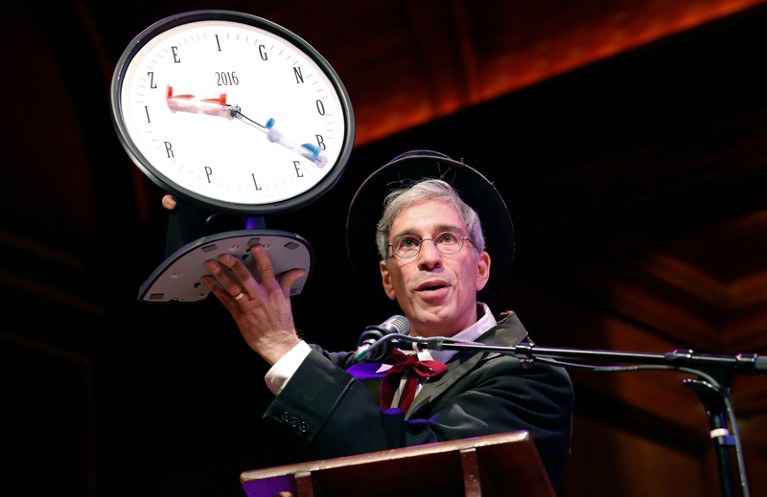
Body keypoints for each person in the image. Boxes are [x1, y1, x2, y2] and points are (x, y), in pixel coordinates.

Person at [182, 150, 574, 491]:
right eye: (408, 243)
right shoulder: (368, 367)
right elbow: (313, 382)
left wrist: (281, 344)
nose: (428, 258)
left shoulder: (529, 375)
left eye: (448, 238)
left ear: (481, 268)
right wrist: (192, 204)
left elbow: (421, 471)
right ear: (389, 278)